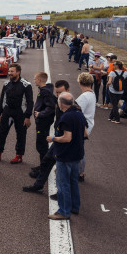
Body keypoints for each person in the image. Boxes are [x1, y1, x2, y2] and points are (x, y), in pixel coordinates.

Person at [23, 80, 70, 193]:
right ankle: (39, 185)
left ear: (68, 91)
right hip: (59, 139)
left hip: (65, 141)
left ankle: (63, 194)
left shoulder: (73, 108)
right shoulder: (59, 103)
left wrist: (55, 138)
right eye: (57, 93)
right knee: (46, 161)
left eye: (61, 92)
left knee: (63, 168)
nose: (59, 96)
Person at [47, 92, 86, 220]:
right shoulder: (79, 114)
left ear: (61, 103)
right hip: (77, 154)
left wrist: (53, 138)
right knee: (73, 181)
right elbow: (85, 134)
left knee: (63, 184)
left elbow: (67, 138)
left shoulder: (66, 117)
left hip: (65, 155)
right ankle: (75, 206)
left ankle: (64, 211)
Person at [0, 64, 34, 164]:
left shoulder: (26, 85)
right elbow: (2, 99)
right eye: (9, 71)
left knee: (21, 135)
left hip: (20, 113)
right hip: (7, 111)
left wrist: (27, 116)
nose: (9, 73)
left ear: (18, 72)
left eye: (12, 71)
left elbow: (30, 102)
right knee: (1, 132)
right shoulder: (6, 84)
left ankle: (19, 156)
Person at [76, 73, 96, 183]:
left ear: (80, 82)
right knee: (80, 150)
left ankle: (79, 172)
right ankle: (80, 172)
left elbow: (78, 113)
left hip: (82, 127)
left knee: (79, 151)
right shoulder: (92, 94)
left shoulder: (84, 97)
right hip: (88, 125)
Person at [32, 72, 56, 164]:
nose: (34, 80)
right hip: (42, 122)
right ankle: (42, 166)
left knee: (41, 145)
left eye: (35, 79)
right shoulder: (45, 90)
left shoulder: (45, 92)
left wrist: (40, 114)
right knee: (41, 145)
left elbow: (51, 107)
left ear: (39, 80)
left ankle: (43, 168)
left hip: (43, 122)